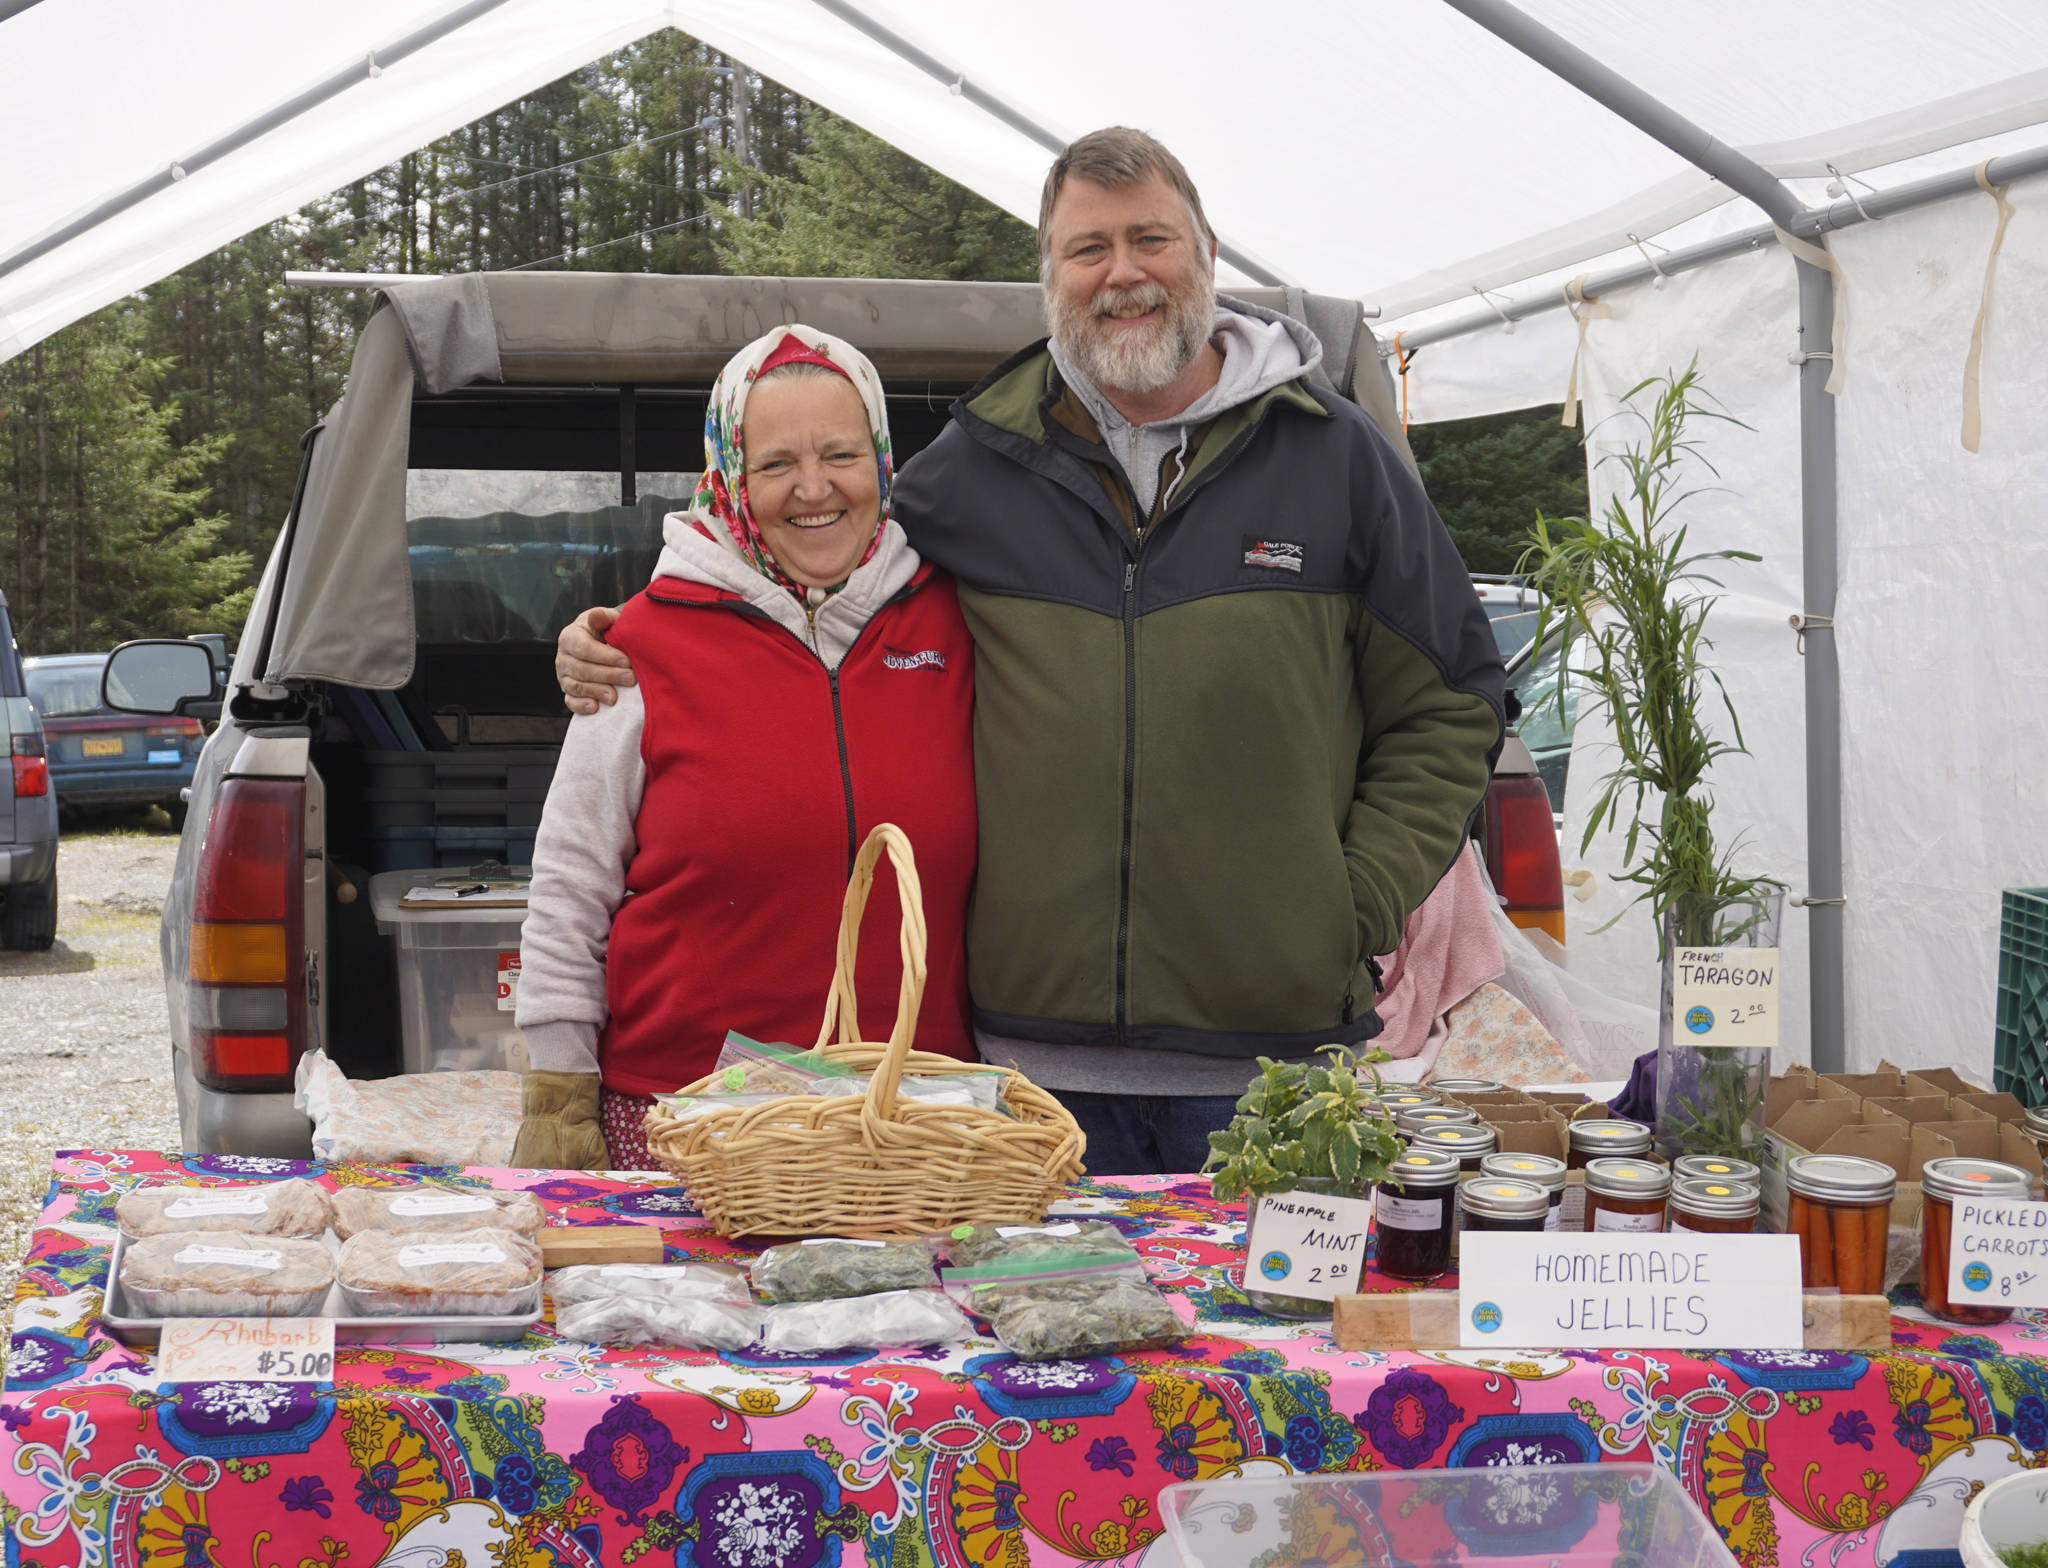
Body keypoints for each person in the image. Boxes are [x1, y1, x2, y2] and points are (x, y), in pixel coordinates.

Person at [555, 129, 1505, 1175]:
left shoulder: (1336, 458)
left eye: (1151, 238)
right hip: (1016, 1076)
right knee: (1035, 1333)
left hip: (1272, 1064)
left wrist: (1347, 898)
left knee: (1267, 1334)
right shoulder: (974, 467)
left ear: (1207, 253)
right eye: (1085, 248)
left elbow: (1452, 699)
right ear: (1047, 274)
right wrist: (619, 634)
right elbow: (804, 562)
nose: (1122, 272)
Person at [512, 325, 977, 1171]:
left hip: (912, 1119)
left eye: (840, 453)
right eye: (774, 464)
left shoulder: (954, 623)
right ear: (728, 475)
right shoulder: (639, 646)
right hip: (686, 1119)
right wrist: (557, 1090)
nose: (813, 489)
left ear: (881, 458)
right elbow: (569, 889)